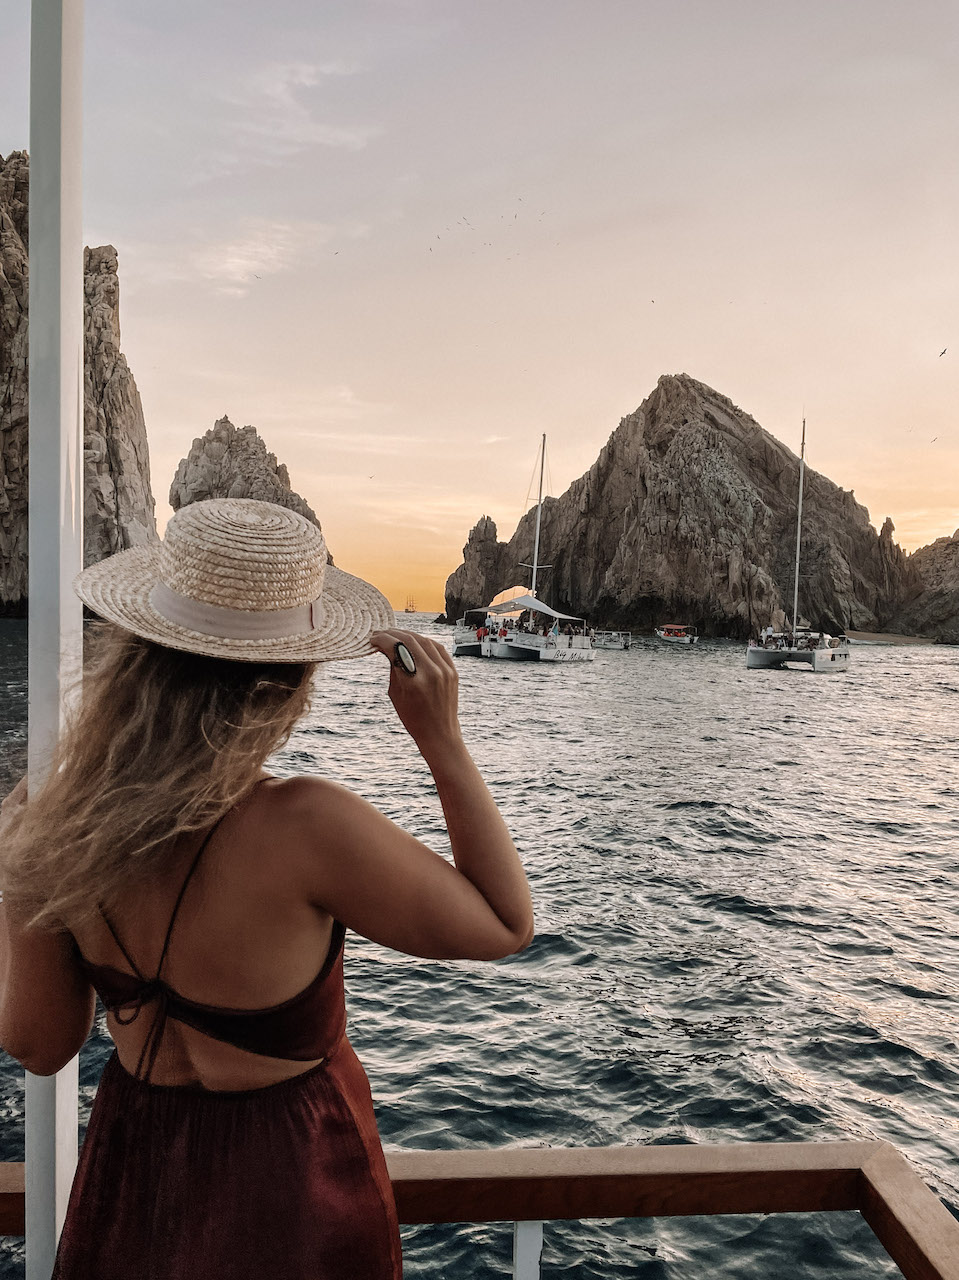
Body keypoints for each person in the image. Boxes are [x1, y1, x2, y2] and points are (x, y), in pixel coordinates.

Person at [0, 498, 534, 1280]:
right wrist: (441, 741)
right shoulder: (305, 827)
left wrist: (18, 864)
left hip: (135, 1181)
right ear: (291, 679)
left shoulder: (52, 825)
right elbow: (503, 924)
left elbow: (40, 1046)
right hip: (292, 1193)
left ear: (141, 651)